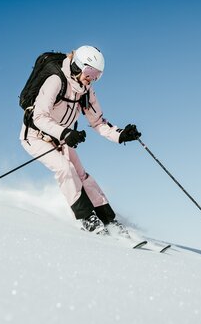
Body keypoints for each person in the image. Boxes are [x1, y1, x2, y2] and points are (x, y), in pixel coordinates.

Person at [20, 45, 141, 235]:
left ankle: (108, 219)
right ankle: (87, 219)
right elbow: (39, 117)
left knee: (81, 174)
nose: (92, 78)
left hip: (61, 139)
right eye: (90, 71)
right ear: (78, 65)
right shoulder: (55, 81)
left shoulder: (86, 91)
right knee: (65, 168)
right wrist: (65, 133)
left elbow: (98, 122)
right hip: (35, 137)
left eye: (97, 75)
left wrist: (120, 135)